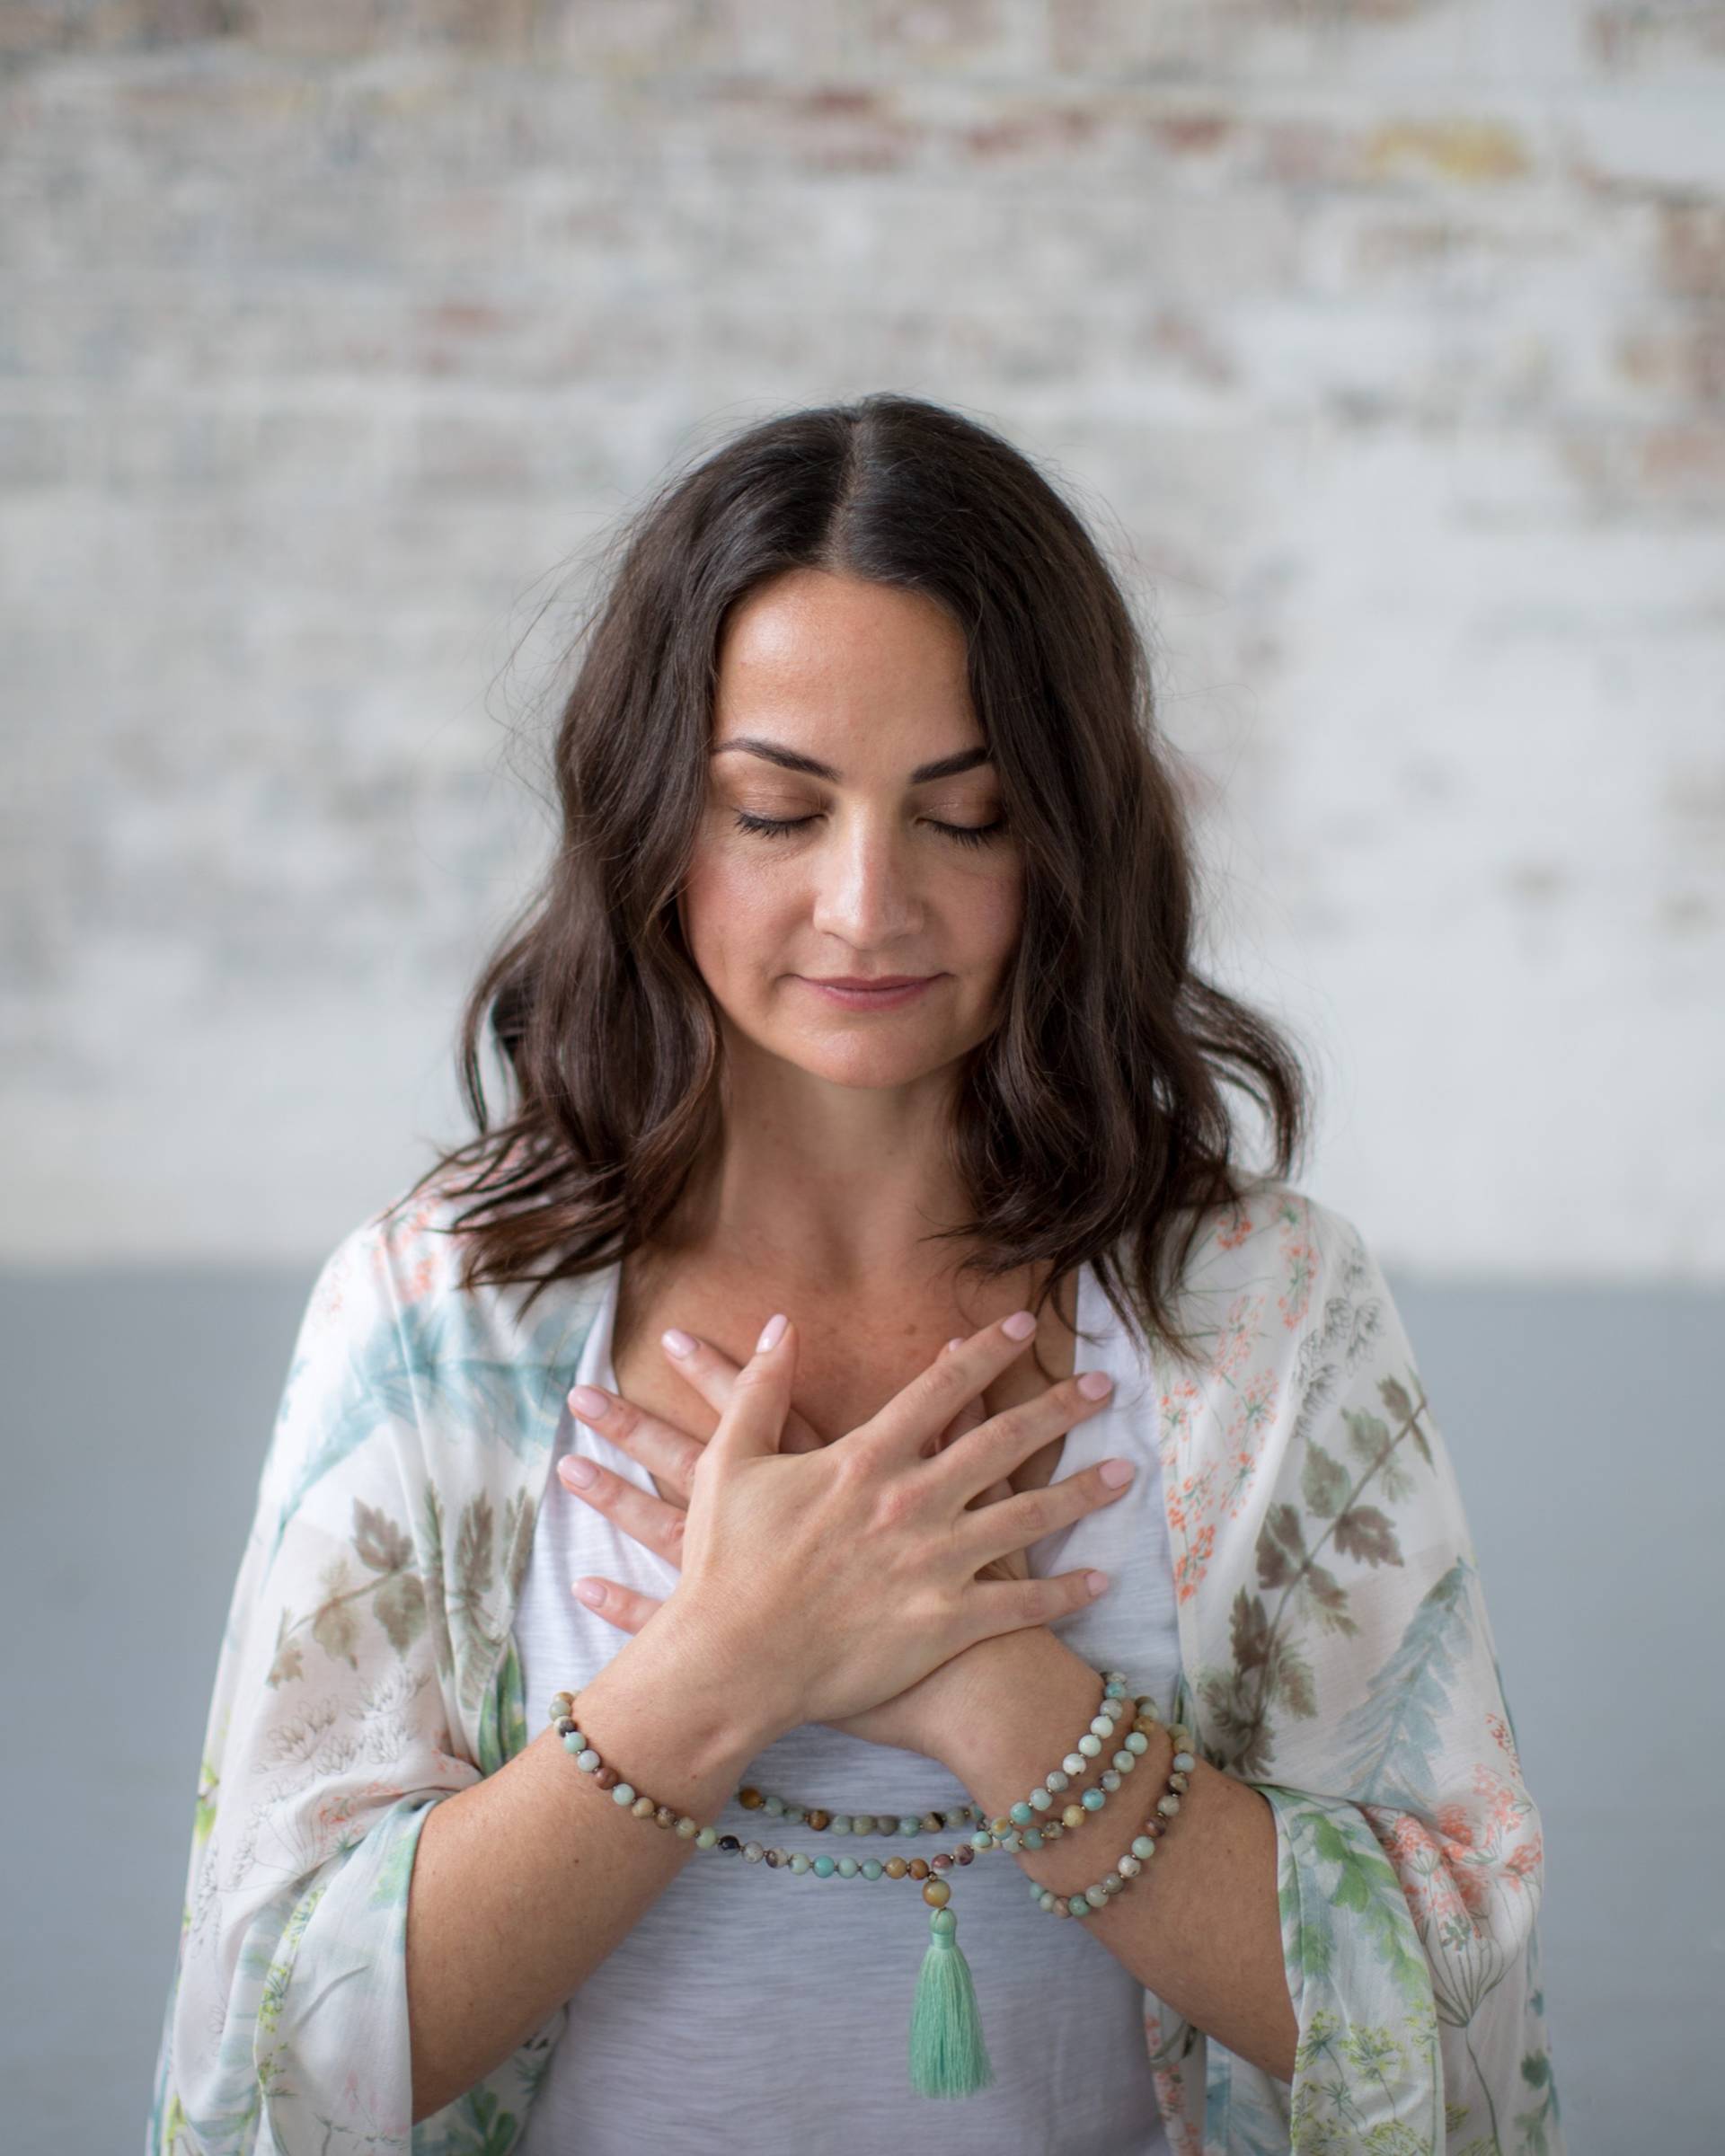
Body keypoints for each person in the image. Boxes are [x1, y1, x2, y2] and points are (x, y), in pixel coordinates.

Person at [147, 393, 1564, 2155]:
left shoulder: (1263, 1317)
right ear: (655, 811)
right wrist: (728, 1664)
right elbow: (266, 2047)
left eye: (963, 817)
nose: (866, 904)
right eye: (775, 811)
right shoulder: (442, 1314)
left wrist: (990, 1694)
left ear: (1066, 835)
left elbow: (1447, 2009)